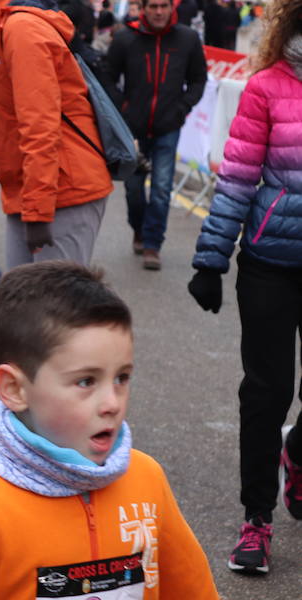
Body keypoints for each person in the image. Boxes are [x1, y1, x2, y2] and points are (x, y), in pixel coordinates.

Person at [0, 261, 220, 599]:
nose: (112, 402)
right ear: (14, 389)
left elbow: (195, 590)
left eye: (121, 378)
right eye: (86, 381)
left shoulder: (147, 480)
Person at [187, 0, 302, 574]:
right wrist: (212, 260)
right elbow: (235, 178)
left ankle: (298, 455)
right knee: (267, 389)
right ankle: (257, 519)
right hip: (271, 262)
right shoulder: (266, 87)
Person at [0, 0, 112, 270]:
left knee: (55, 305)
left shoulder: (20, 29)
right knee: (25, 302)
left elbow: (40, 126)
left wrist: (38, 210)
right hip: (36, 190)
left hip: (64, 190)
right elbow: (2, 107)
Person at [106, 0, 207, 270]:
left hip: (167, 128)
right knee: (134, 190)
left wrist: (182, 107)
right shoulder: (125, 38)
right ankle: (138, 228)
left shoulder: (187, 38)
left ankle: (153, 244)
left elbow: (199, 79)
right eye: (153, 6)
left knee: (162, 190)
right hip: (133, 130)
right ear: (143, 8)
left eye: (164, 5)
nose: (159, 12)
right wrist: (122, 110)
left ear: (172, 8)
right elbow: (107, 77)